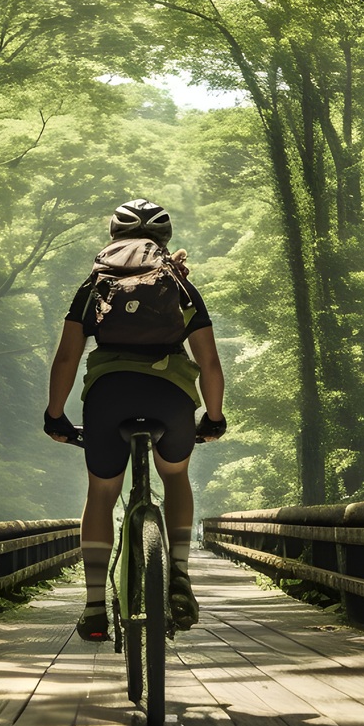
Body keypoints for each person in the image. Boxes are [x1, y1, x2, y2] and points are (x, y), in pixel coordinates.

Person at [44, 199, 227, 641]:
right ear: (165, 241)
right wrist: (214, 418)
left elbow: (68, 357)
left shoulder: (94, 285)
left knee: (103, 491)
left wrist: (55, 416)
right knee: (176, 476)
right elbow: (210, 364)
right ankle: (179, 575)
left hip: (109, 394)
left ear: (113, 239)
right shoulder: (179, 286)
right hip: (171, 396)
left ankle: (92, 607)